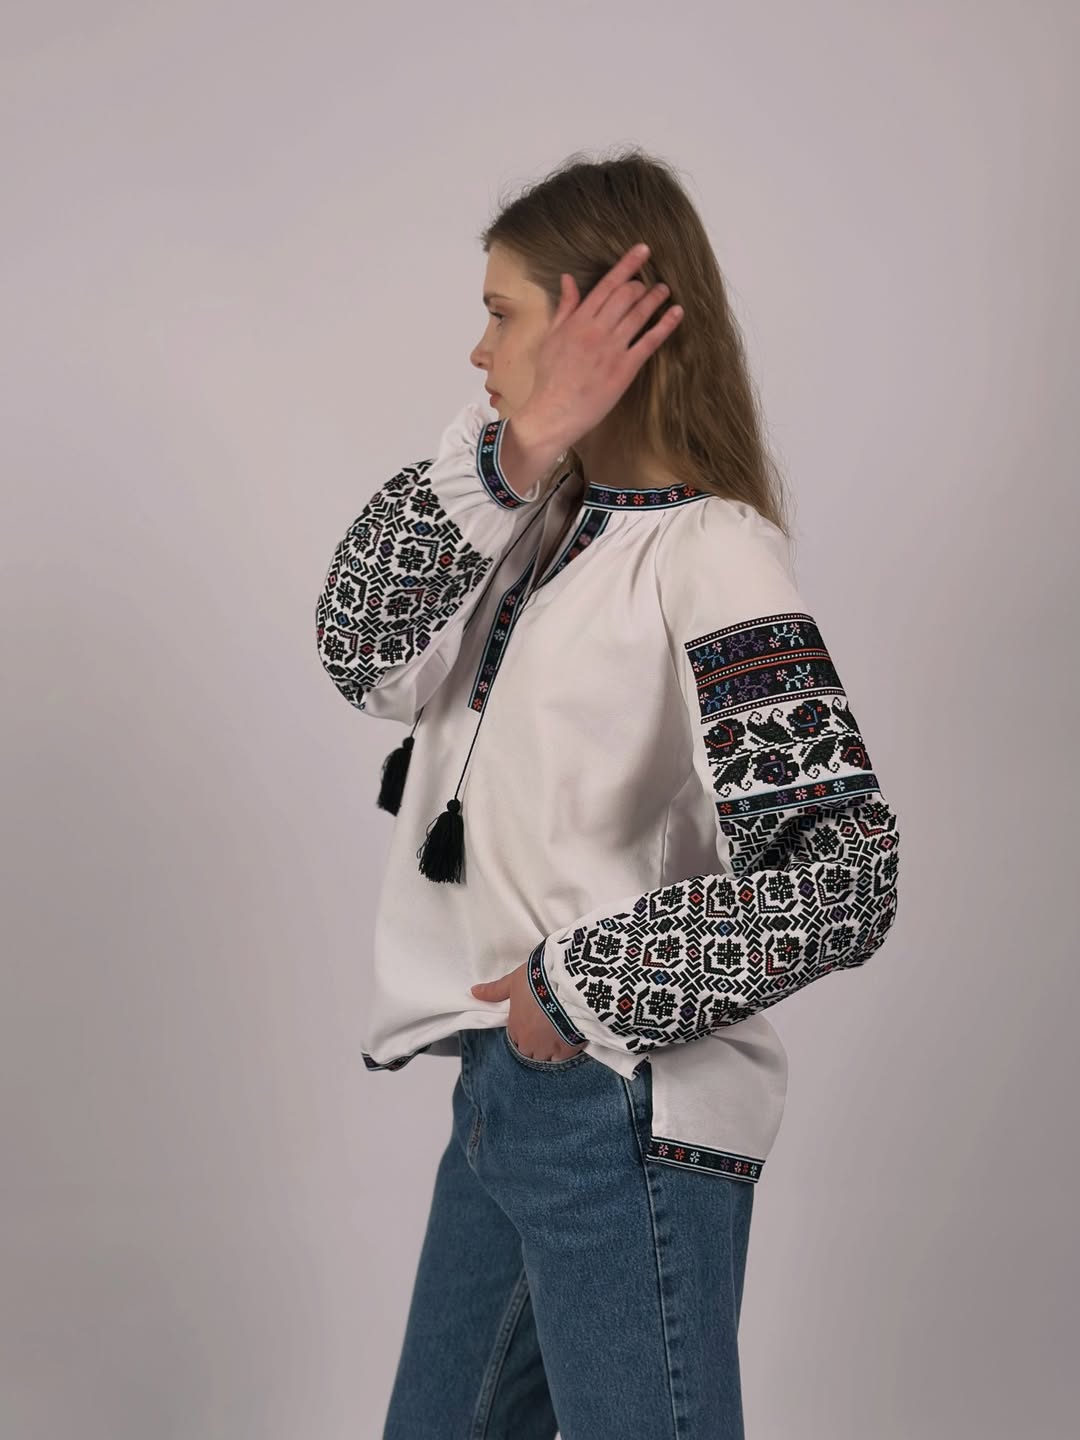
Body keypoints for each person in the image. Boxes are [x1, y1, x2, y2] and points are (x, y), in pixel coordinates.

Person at [315, 147, 900, 1439]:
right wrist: (515, 454)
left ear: (601, 320)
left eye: (502, 313)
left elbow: (843, 873)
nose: (478, 351)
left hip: (617, 1100)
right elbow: (361, 651)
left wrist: (577, 993)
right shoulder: (521, 527)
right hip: (500, 1092)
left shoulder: (712, 557)